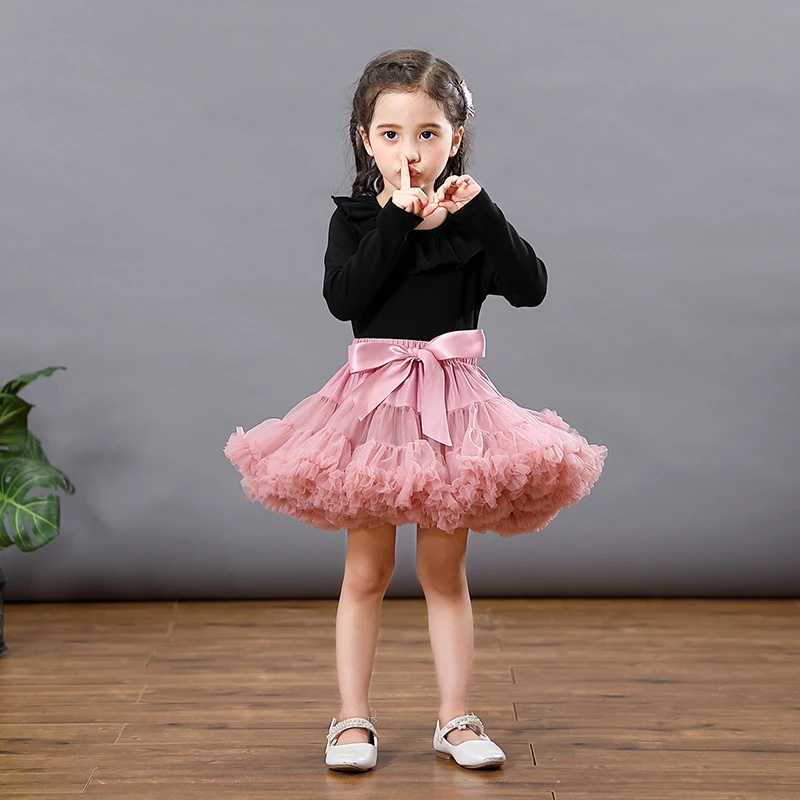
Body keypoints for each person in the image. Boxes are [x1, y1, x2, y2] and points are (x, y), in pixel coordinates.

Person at [224, 48, 608, 772]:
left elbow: (530, 287)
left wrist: (481, 210)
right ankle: (351, 718)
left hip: (452, 411)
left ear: (454, 139)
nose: (410, 151)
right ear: (366, 140)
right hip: (371, 413)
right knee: (366, 570)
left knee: (443, 571)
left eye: (428, 133)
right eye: (392, 134)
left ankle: (454, 718)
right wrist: (395, 223)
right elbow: (345, 298)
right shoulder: (356, 220)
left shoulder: (471, 224)